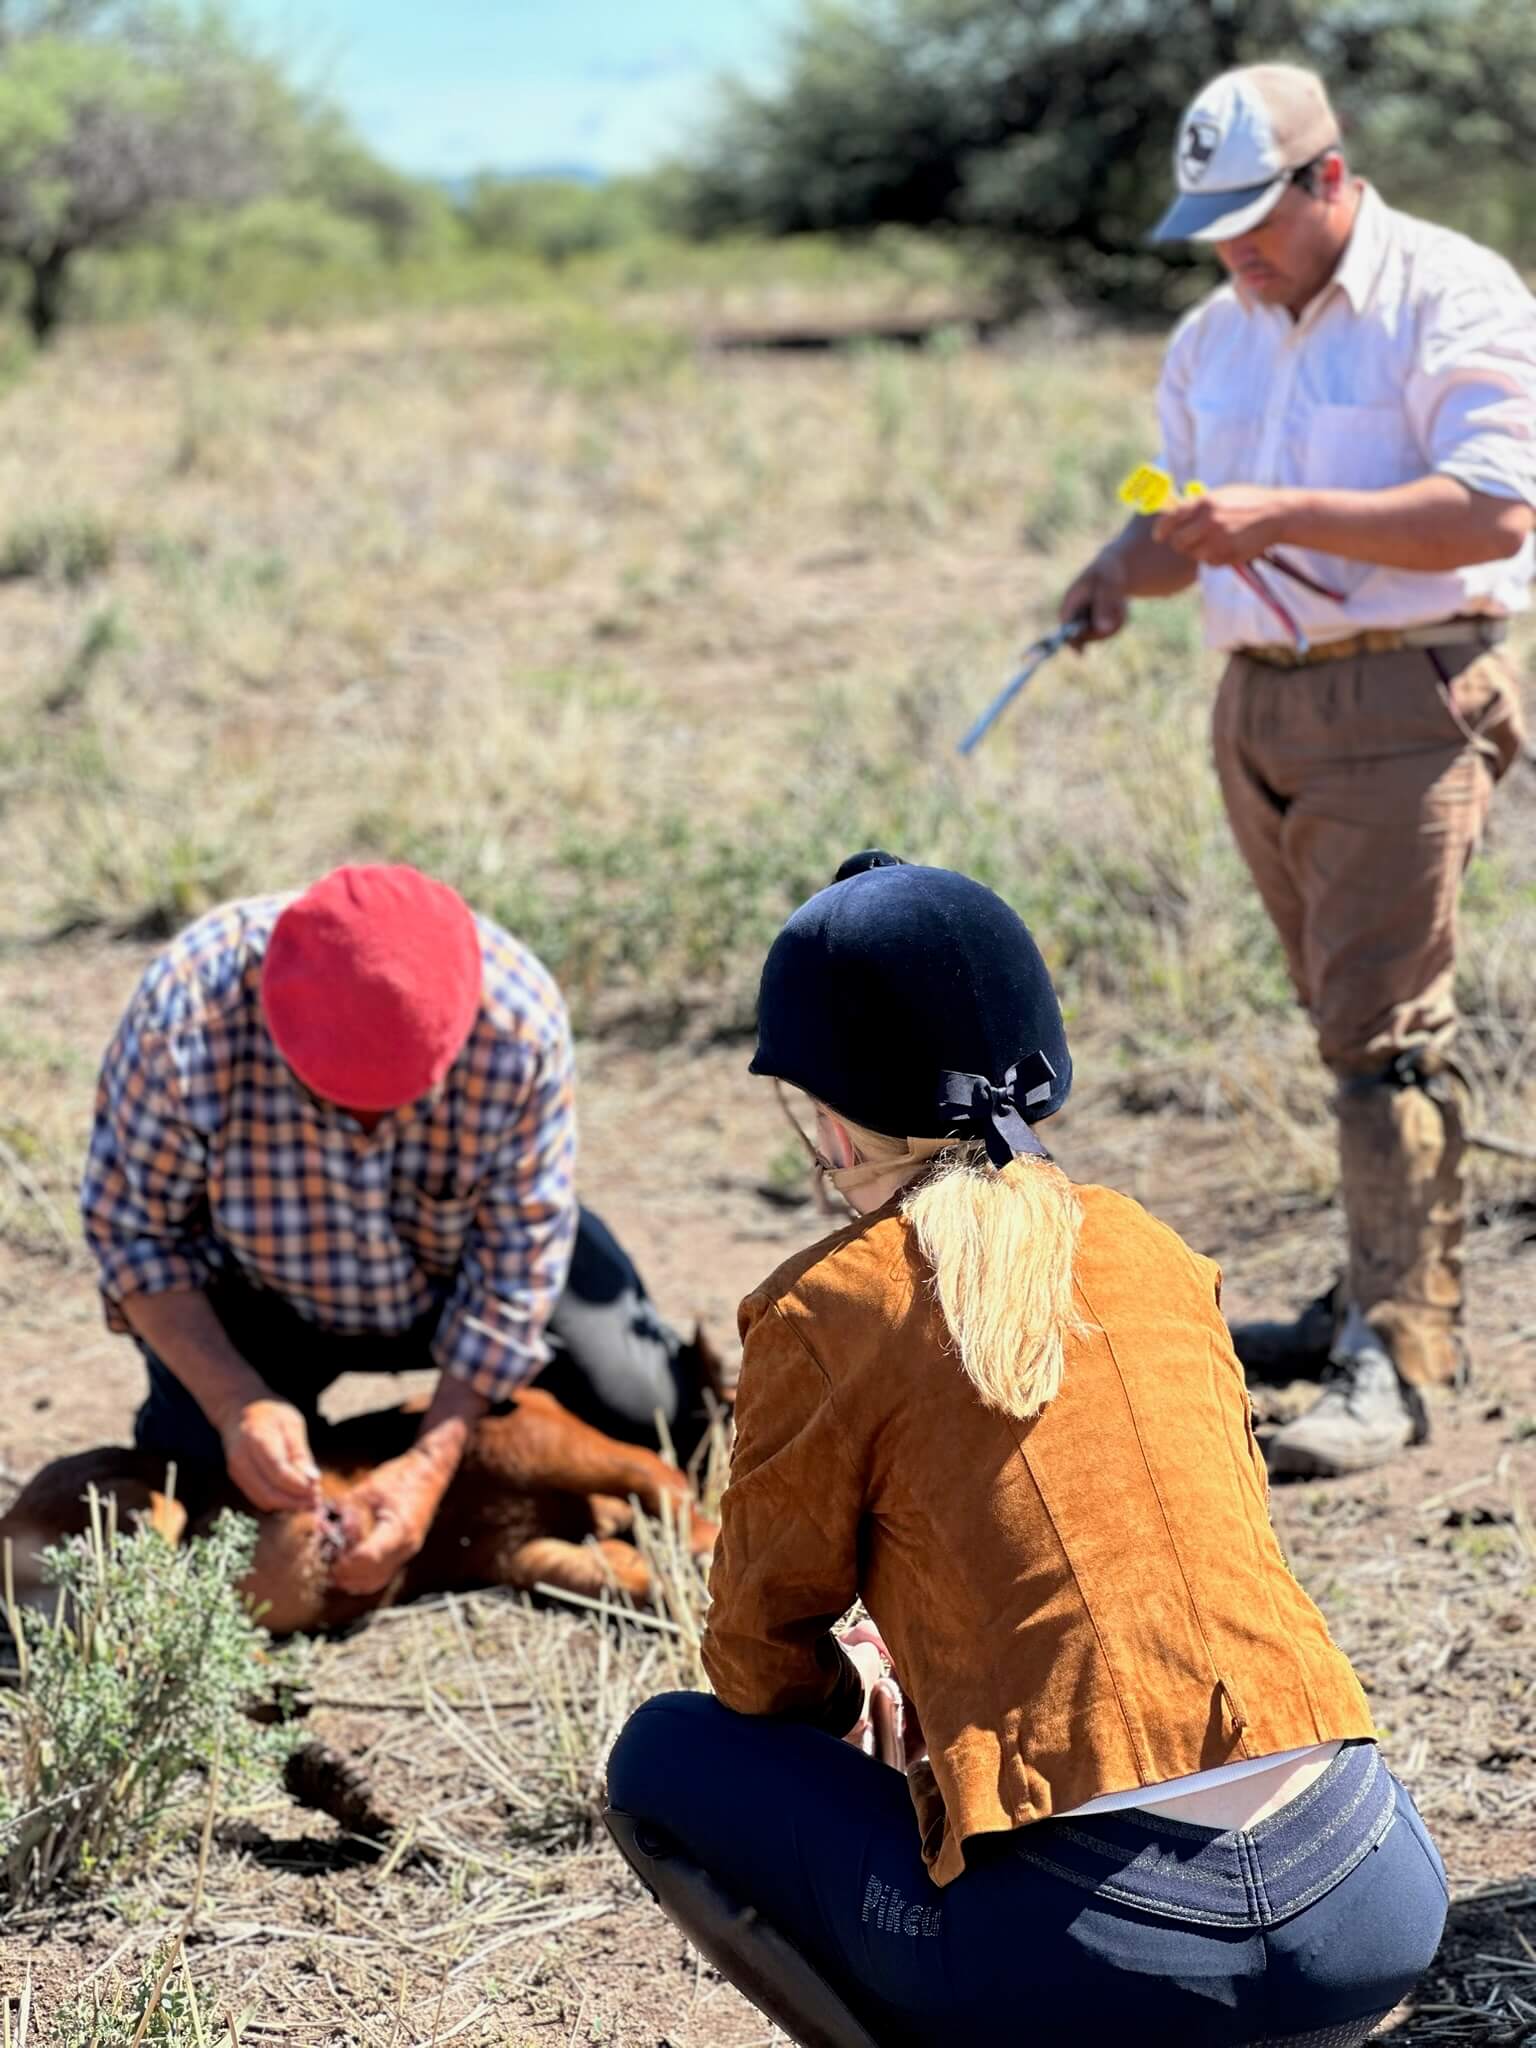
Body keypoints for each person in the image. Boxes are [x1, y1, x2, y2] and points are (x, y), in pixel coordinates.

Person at [604, 859, 1447, 2048]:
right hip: (1369, 1891)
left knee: (667, 1754)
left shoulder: (825, 1308)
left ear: (831, 1121)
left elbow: (755, 1664)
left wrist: (862, 1699)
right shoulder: (1157, 1250)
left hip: (1103, 1946)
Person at [1058, 63, 1535, 1476]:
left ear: (1330, 177)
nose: (1234, 252)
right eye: (1210, 229)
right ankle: (1372, 1290)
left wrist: (1285, 515)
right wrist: (1117, 567)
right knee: (1342, 1015)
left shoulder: (1447, 293)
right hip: (1257, 704)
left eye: (1255, 219)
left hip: (1405, 690)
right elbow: (1178, 514)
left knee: (1385, 1031)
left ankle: (1401, 1354)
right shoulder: (1213, 336)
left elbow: (1494, 511)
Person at [80, 862, 711, 1599]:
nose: (366, 1129)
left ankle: (512, 1430)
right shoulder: (187, 1010)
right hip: (264, 1292)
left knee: (651, 1411)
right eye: (334, 1102)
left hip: (456, 1277)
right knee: (201, 1479)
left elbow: (517, 1263)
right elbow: (136, 1238)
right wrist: (236, 1402)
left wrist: (431, 1463)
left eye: (397, 1103)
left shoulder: (517, 1020)